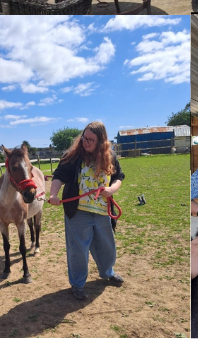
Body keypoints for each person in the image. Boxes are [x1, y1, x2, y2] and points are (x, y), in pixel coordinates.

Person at [46, 121, 125, 300]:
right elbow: (59, 176)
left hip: (102, 211)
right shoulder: (72, 156)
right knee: (78, 250)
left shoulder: (109, 156)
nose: (86, 142)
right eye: (84, 138)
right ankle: (78, 284)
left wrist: (111, 190)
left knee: (106, 246)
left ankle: (107, 272)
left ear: (101, 141)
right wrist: (53, 194)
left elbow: (118, 177)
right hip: (78, 211)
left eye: (91, 139)